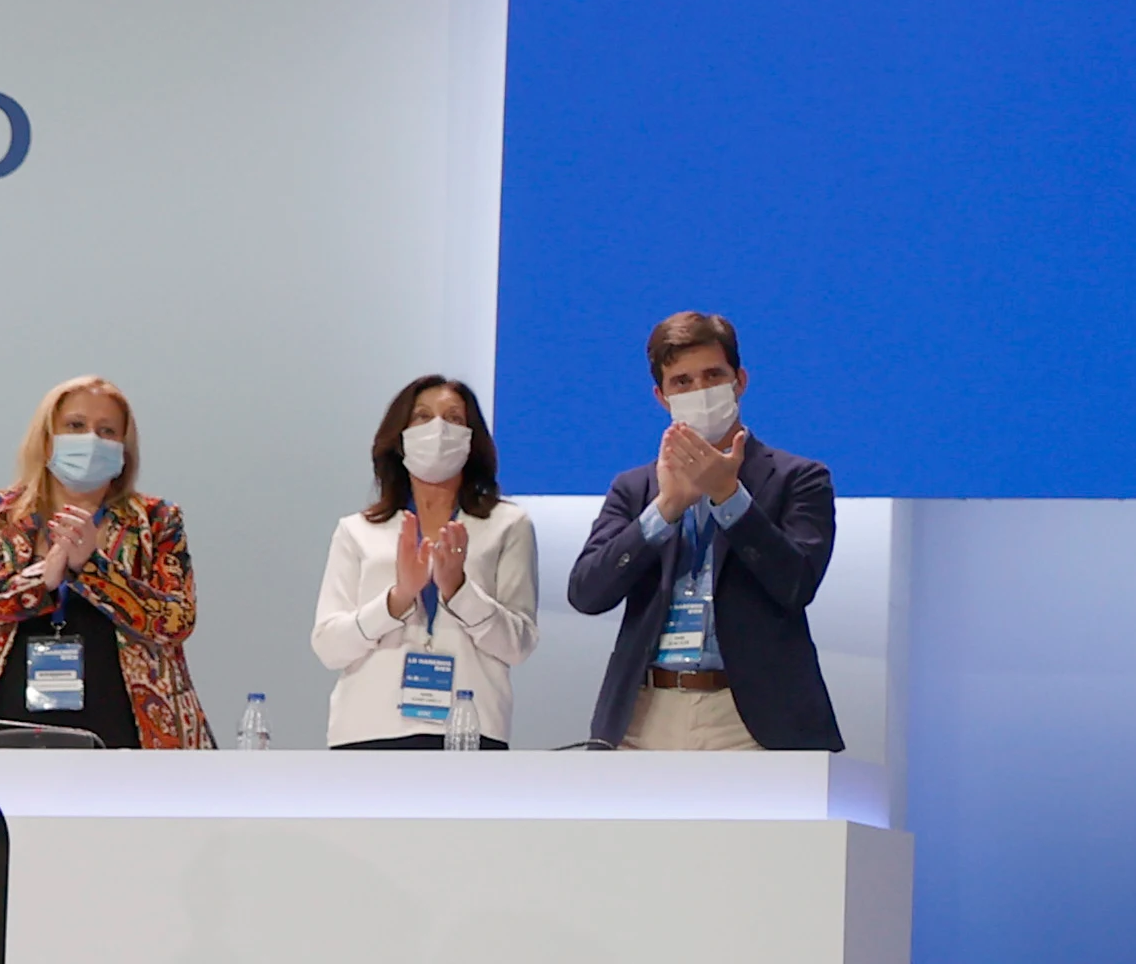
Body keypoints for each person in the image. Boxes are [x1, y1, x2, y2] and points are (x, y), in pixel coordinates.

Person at [567, 313, 843, 752]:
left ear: (740, 381)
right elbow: (586, 593)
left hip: (748, 718)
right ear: (662, 396)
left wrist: (728, 497)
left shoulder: (800, 478)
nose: (699, 391)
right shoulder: (636, 488)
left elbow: (796, 583)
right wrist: (666, 508)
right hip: (645, 715)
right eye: (682, 382)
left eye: (713, 375)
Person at [0, 374, 212, 750]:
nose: (91, 440)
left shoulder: (157, 520)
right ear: (46, 438)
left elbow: (177, 620)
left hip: (129, 733)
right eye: (75, 425)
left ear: (124, 450)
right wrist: (39, 581)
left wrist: (92, 570)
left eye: (107, 431)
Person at [313, 375, 540, 749]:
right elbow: (328, 646)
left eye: (453, 418)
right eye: (422, 416)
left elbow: (518, 645)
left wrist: (459, 591)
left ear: (472, 439)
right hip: (368, 730)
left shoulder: (508, 525)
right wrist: (398, 598)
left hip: (471, 727)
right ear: (399, 438)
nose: (438, 428)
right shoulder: (356, 530)